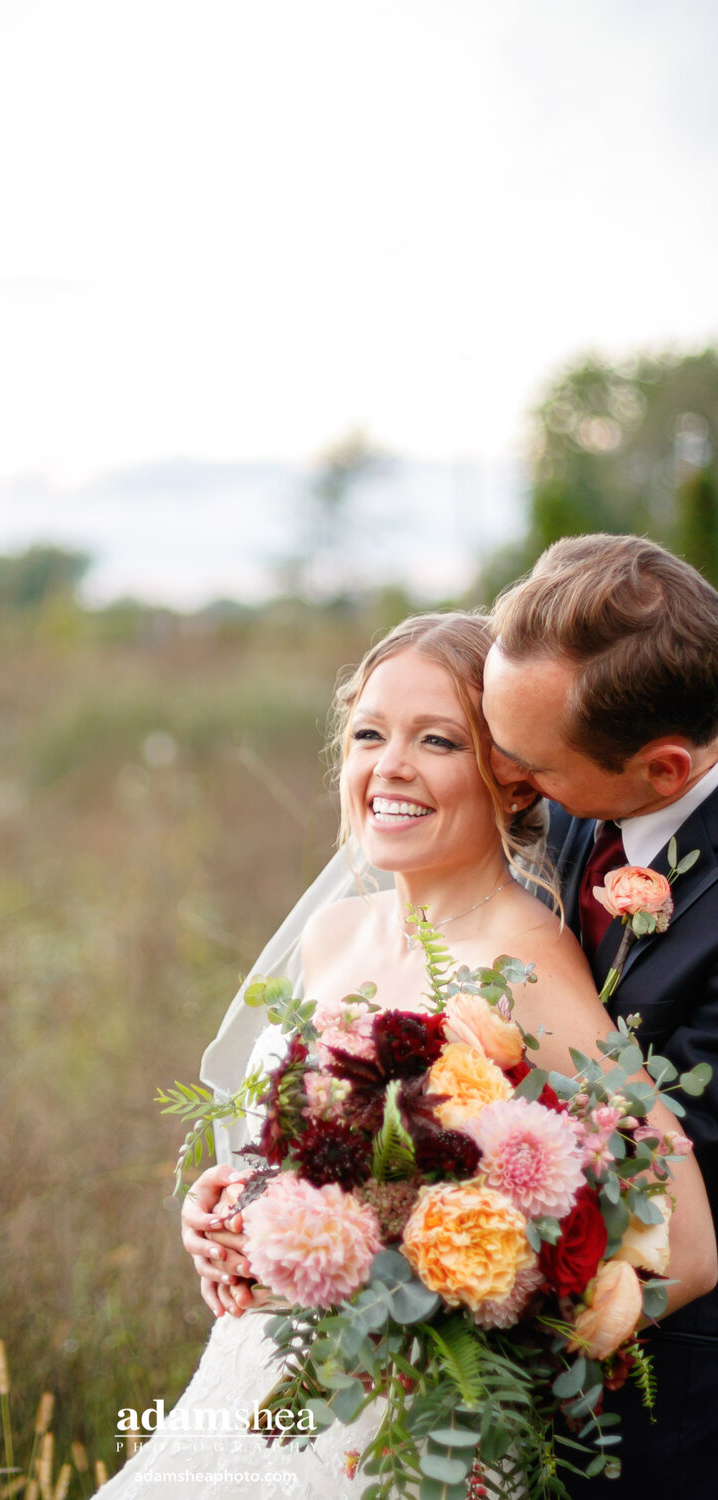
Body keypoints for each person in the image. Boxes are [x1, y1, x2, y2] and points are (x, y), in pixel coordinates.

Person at [99, 612, 715, 1500]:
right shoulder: (330, 935)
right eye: (368, 734)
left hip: (420, 1431)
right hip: (259, 1383)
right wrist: (233, 1215)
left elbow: (687, 1248)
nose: (390, 764)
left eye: (437, 739)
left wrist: (480, 1342)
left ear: (510, 779)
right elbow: (293, 1159)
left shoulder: (527, 959)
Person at [481, 532, 718, 1497]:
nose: (503, 775)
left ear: (664, 771)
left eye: (529, 760)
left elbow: (679, 1189)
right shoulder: (574, 794)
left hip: (674, 1409)